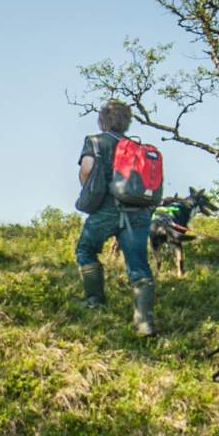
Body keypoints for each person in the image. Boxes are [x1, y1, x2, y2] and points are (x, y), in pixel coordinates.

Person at [74, 100, 157, 336]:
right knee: (138, 264)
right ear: (127, 122)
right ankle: (144, 323)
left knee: (85, 250)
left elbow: (87, 169)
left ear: (102, 120)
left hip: (106, 209)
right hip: (138, 212)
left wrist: (89, 192)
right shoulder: (138, 147)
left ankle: (94, 301)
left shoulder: (95, 141)